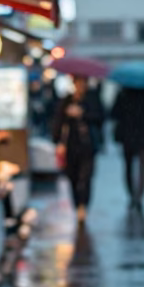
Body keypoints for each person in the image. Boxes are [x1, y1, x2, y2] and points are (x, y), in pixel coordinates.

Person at [52, 76, 105, 223]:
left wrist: (83, 113)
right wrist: (57, 140)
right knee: (72, 176)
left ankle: (83, 205)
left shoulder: (92, 99)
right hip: (71, 144)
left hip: (88, 144)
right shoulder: (67, 100)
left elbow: (100, 118)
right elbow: (58, 120)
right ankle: (77, 204)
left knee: (86, 177)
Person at [110, 86, 144, 209]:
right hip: (142, 137)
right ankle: (139, 195)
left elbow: (114, 114)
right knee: (141, 167)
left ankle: (133, 194)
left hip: (128, 137)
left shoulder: (123, 94)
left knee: (129, 166)